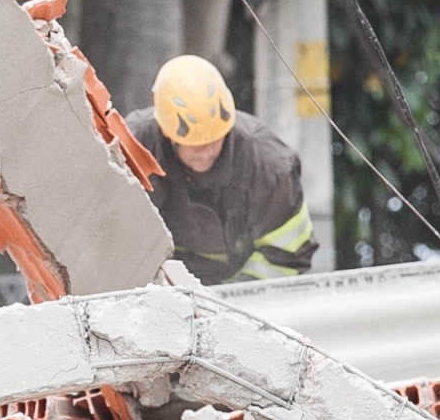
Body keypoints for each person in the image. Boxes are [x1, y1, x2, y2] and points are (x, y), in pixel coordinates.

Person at [125, 55, 316, 284]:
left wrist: (232, 303)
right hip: (161, 287)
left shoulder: (267, 164)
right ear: (166, 131)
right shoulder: (134, 147)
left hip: (246, 293)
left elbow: (287, 256)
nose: (205, 151)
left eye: (215, 139)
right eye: (194, 143)